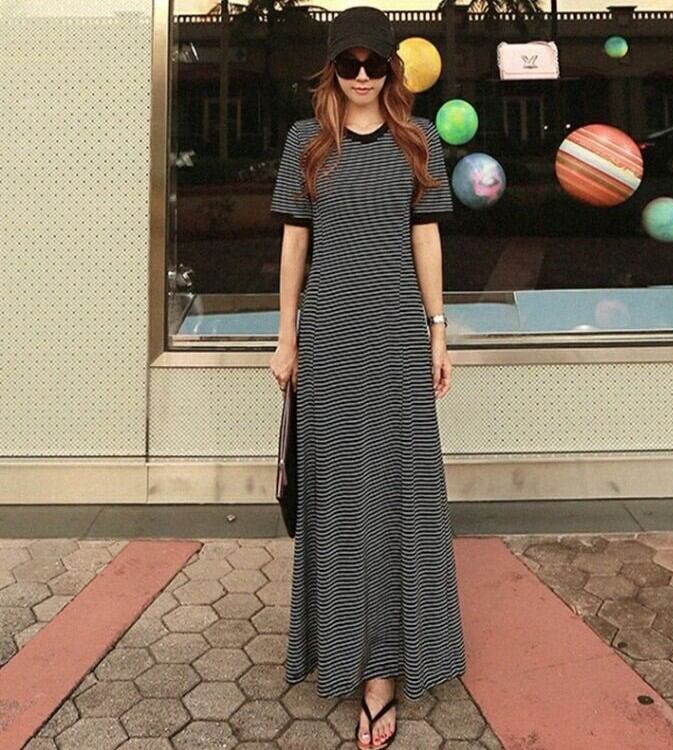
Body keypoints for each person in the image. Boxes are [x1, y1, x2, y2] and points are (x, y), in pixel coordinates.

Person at [268, 6, 467, 748]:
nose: (360, 75)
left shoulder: (419, 141)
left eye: (373, 63)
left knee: (399, 495)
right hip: (329, 339)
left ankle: (384, 672)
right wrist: (286, 336)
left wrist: (438, 330)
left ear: (391, 70)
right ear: (332, 69)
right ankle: (339, 649)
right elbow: (294, 244)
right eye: (348, 63)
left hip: (396, 338)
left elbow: (427, 239)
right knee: (339, 498)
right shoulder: (305, 141)